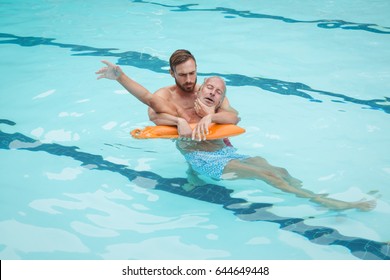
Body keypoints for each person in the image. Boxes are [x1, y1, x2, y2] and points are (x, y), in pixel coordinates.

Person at [96, 51, 376, 211]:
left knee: (278, 170)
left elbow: (234, 115)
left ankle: (312, 194)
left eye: (193, 73)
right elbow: (148, 100)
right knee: (265, 176)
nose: (189, 79)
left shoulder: (208, 91)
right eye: (183, 74)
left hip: (227, 149)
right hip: (204, 157)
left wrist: (211, 116)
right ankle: (326, 203)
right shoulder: (166, 96)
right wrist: (120, 77)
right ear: (171, 73)